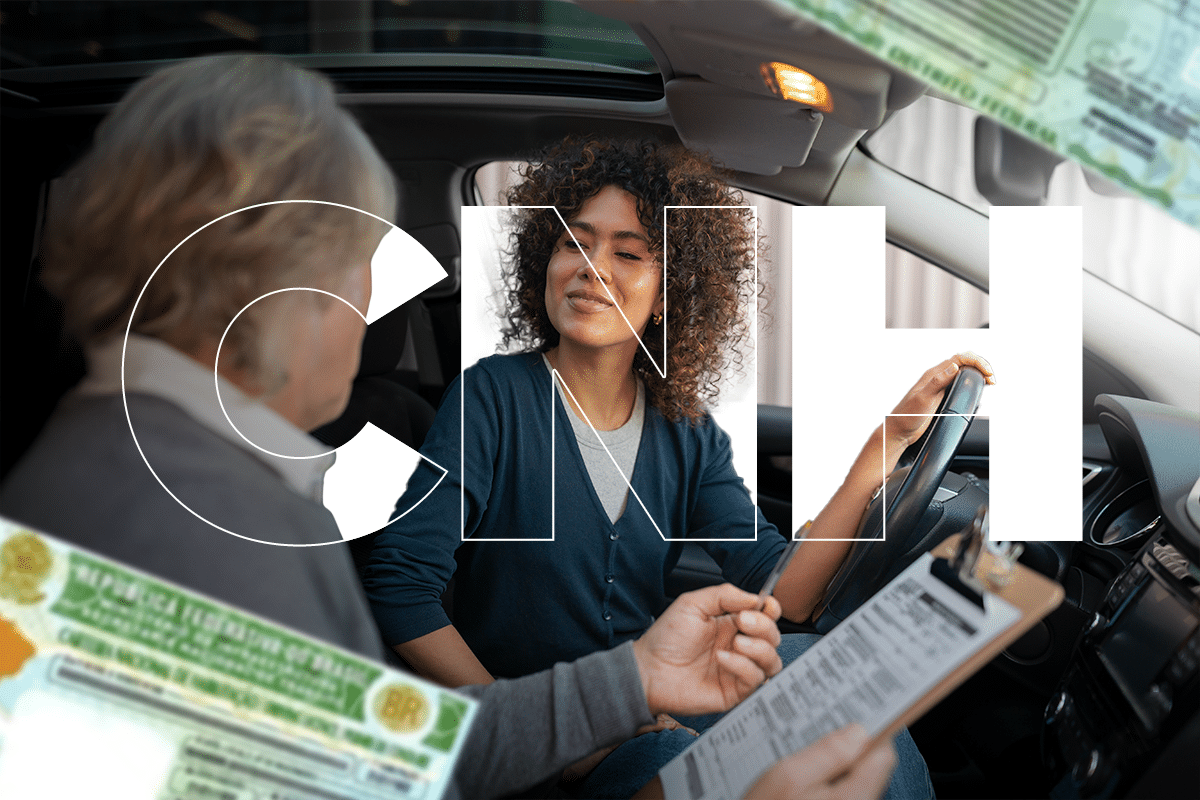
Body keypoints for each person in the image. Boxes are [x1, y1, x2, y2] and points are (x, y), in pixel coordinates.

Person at [0, 54, 820, 800]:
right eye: (364, 255)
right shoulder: (202, 526)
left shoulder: (141, 474)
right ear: (277, 271)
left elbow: (389, 750)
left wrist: (628, 683)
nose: (372, 299)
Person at [364, 137, 993, 795]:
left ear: (669, 295)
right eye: (572, 243)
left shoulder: (683, 429)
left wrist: (884, 446)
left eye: (628, 253)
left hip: (655, 702)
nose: (590, 266)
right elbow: (400, 588)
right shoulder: (491, 396)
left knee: (844, 679)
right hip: (546, 745)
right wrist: (547, 739)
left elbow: (783, 595)